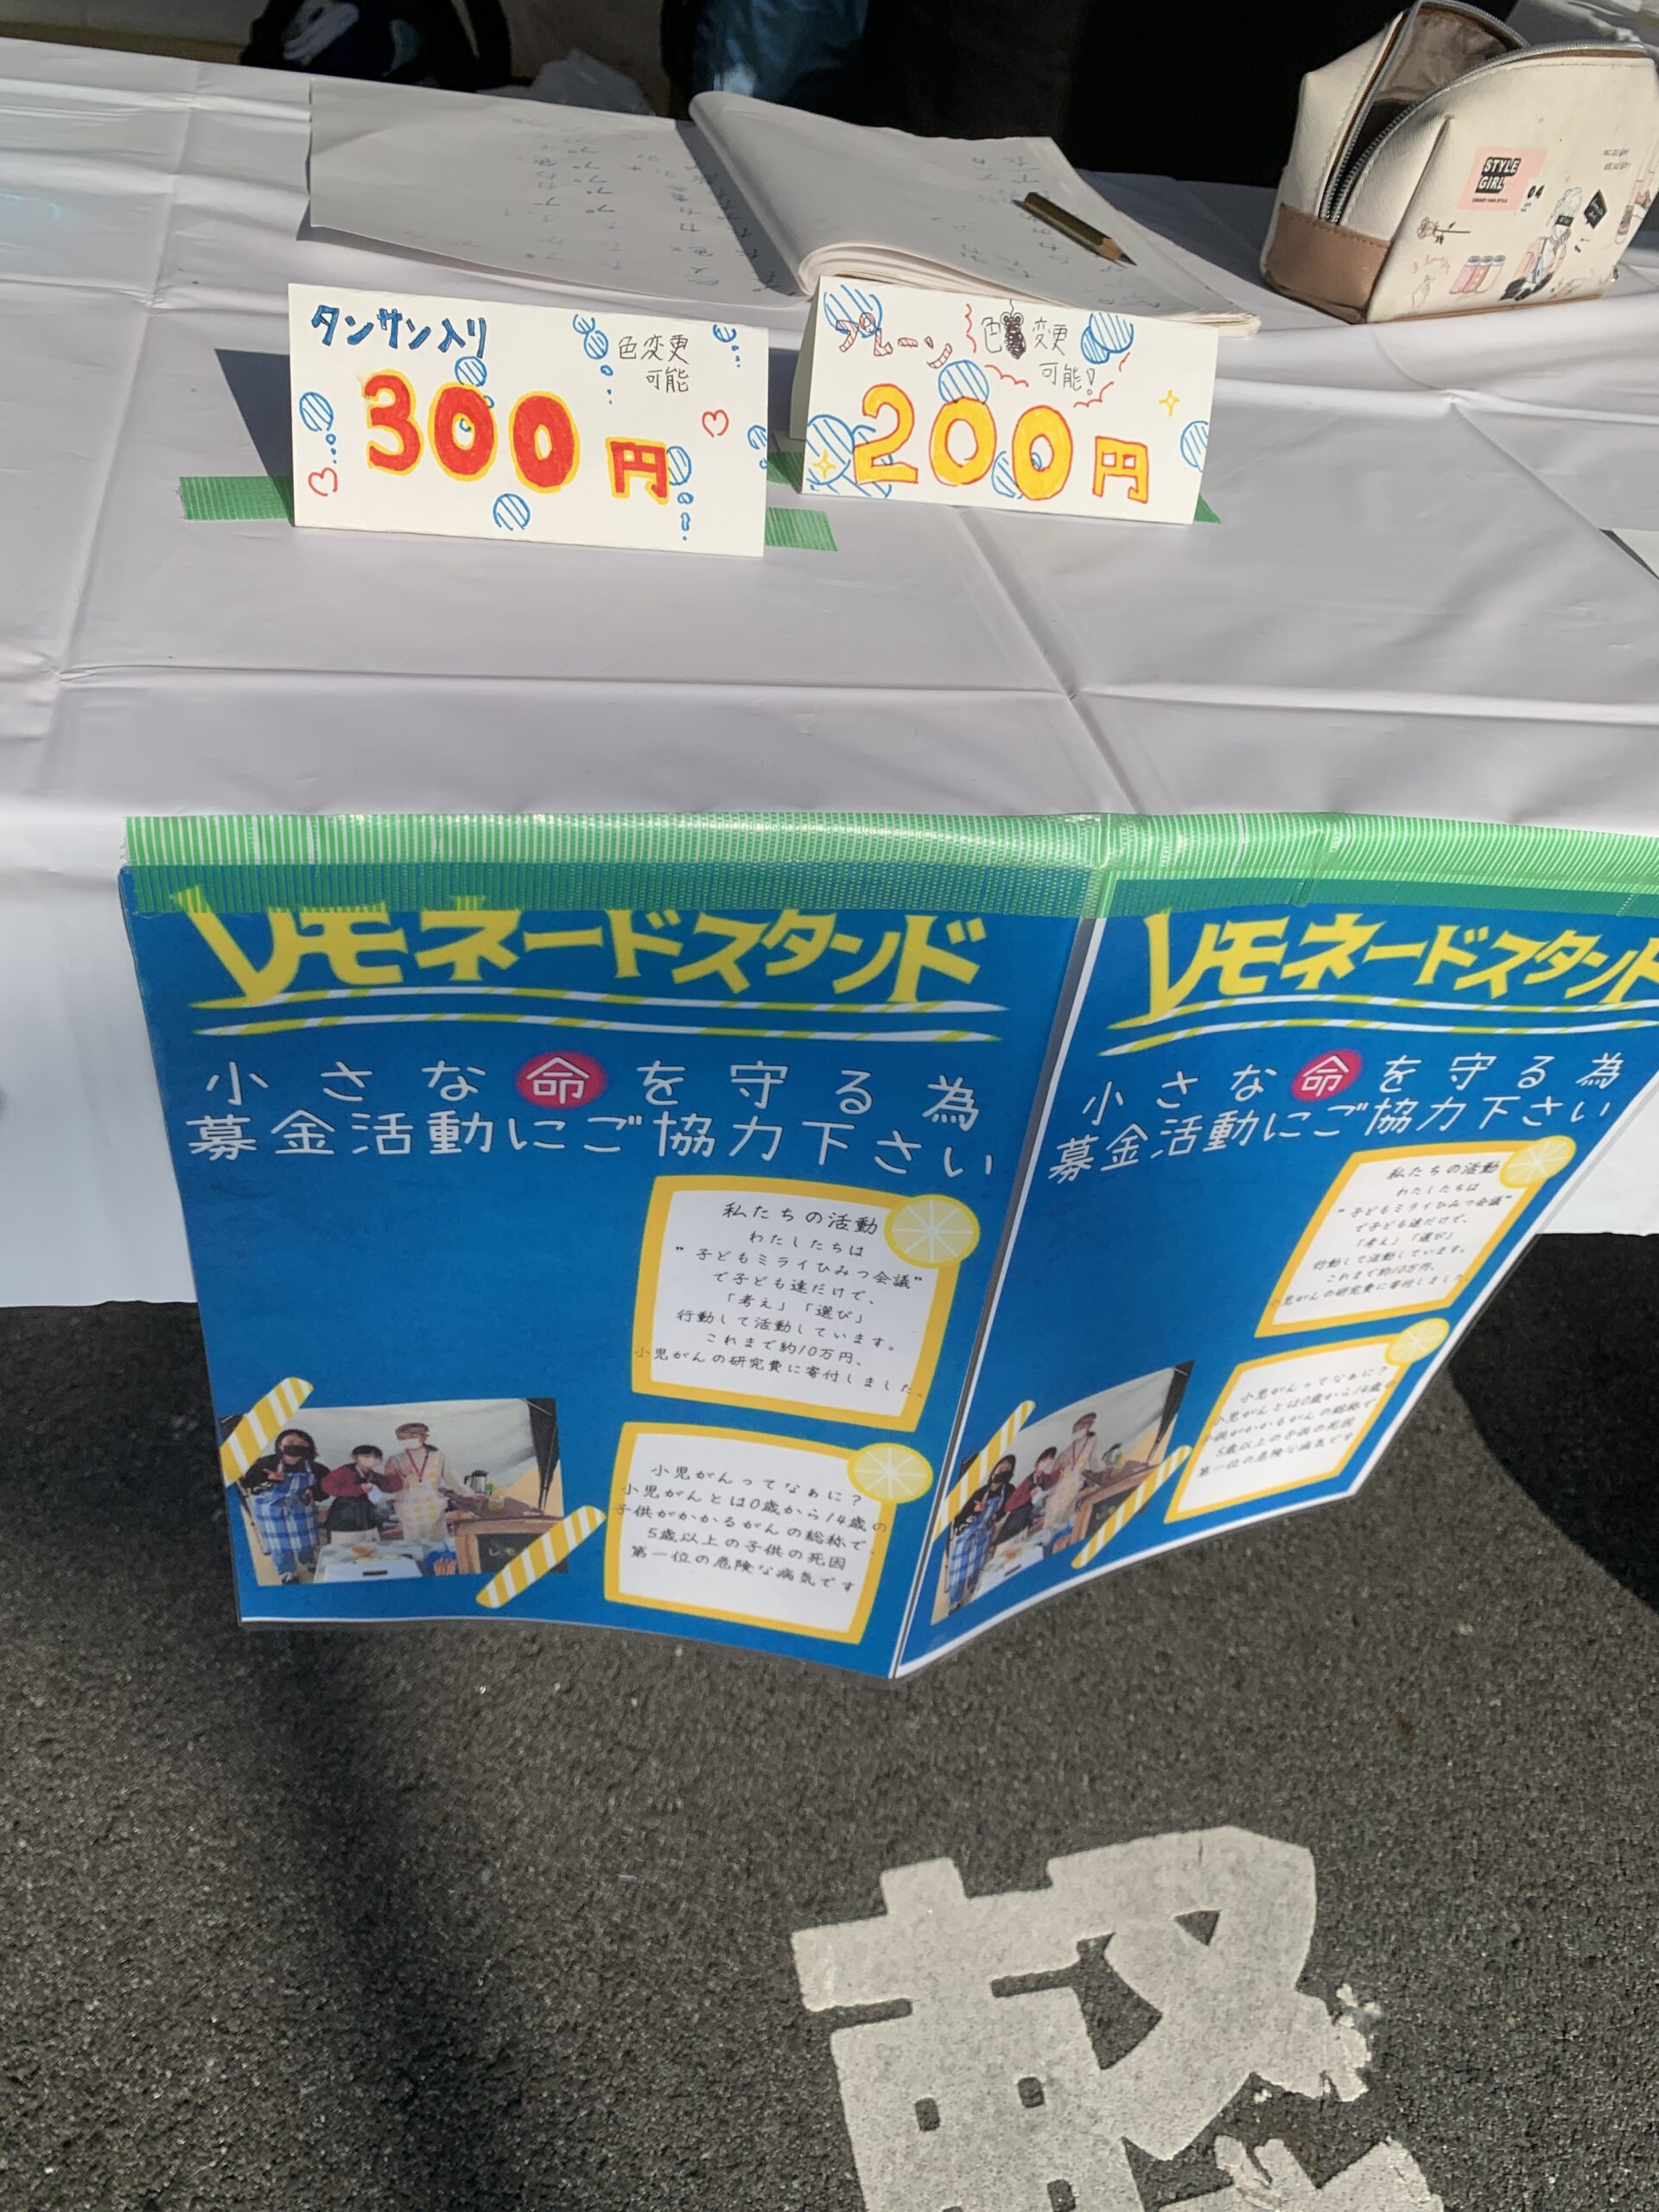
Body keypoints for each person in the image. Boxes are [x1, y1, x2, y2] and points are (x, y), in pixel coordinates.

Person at [241, 1427, 325, 1581]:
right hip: (272, 1509)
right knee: (279, 1544)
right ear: (280, 1445)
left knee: (306, 1541)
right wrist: (269, 1479)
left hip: (302, 1508)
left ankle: (308, 1561)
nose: (296, 1445)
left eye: (301, 1443)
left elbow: (327, 1486)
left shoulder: (315, 1467)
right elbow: (248, 1483)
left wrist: (314, 1492)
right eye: (291, 1442)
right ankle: (286, 1572)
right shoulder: (265, 1463)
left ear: (309, 1448)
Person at [944, 1454, 1015, 1611]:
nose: (1003, 1471)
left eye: (1007, 1470)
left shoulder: (1009, 1490)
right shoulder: (979, 1494)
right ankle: (955, 1602)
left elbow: (1006, 1508)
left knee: (978, 1564)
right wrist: (975, 1511)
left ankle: (974, 1587)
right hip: (967, 1533)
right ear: (994, 1470)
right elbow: (959, 1521)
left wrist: (997, 1516)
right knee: (959, 1569)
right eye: (1001, 1468)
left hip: (985, 1533)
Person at [320, 1444, 386, 1536]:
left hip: (367, 1516)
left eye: (376, 1457)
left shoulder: (373, 1475)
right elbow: (327, 1487)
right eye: (367, 1456)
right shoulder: (343, 1471)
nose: (372, 1460)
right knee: (345, 1542)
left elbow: (391, 1486)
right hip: (345, 1515)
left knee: (370, 1542)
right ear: (355, 1457)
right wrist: (358, 1489)